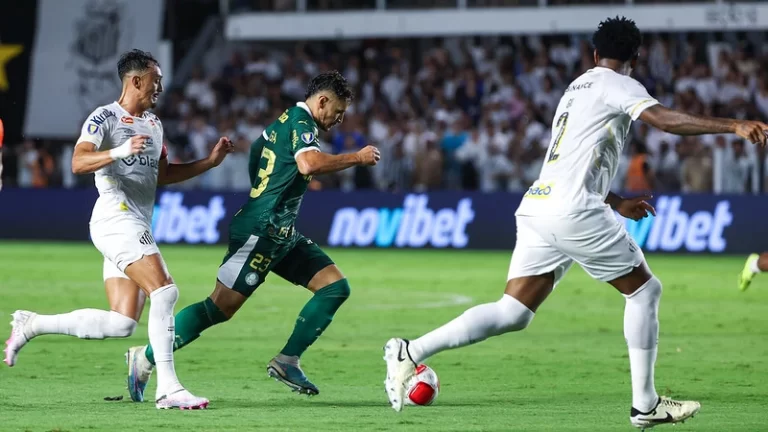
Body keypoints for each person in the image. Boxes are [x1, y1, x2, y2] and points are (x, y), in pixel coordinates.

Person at [382, 16, 768, 429]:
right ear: (635, 59)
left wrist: (616, 200)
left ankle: (410, 349)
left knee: (513, 311)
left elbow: (574, 160)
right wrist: (734, 125)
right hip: (573, 210)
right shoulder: (621, 84)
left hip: (539, 205)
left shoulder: (575, 88)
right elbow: (663, 121)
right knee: (644, 291)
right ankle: (645, 404)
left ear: (595, 53)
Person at [124, 71, 380, 403]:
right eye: (339, 112)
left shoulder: (280, 123)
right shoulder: (303, 124)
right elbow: (307, 164)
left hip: (281, 231)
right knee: (219, 308)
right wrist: (357, 158)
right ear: (322, 101)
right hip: (262, 231)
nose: (339, 119)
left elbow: (258, 152)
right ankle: (144, 357)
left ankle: (288, 360)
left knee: (334, 287)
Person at [4, 49, 234, 410]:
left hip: (135, 220)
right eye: (155, 80)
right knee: (166, 292)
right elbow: (80, 161)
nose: (159, 87)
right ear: (136, 80)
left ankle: (31, 324)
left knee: (121, 322)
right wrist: (119, 151)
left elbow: (164, 175)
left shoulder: (155, 125)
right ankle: (169, 389)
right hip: (115, 216)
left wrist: (209, 162)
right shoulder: (105, 118)